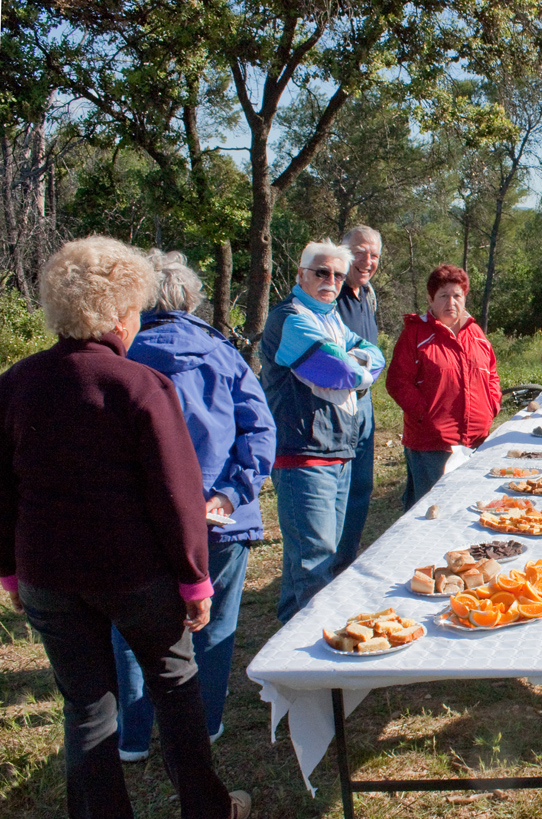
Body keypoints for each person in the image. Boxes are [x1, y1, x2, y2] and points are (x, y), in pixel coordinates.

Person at [0, 237, 251, 818]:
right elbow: (176, 494)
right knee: (176, 685)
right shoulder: (139, 384)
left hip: (47, 574)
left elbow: (2, 489)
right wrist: (195, 579)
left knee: (86, 706)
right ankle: (207, 809)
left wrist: (10, 573)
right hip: (133, 573)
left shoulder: (14, 383)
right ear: (119, 314)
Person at [113, 251, 276, 762]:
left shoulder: (119, 356)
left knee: (133, 627)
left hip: (141, 518)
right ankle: (204, 724)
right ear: (190, 299)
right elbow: (260, 429)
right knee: (216, 622)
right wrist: (230, 492)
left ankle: (133, 736)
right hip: (217, 516)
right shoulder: (222, 353)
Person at [260, 240, 385, 624]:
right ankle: (312, 649)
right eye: (322, 272)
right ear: (301, 274)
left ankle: (290, 639)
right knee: (314, 562)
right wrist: (358, 369)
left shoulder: (329, 318)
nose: (331, 280)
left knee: (312, 559)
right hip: (304, 454)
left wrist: (355, 362)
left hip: (337, 450)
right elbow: (338, 369)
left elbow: (375, 355)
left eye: (338, 275)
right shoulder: (290, 318)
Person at [387, 264, 502, 510]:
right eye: (443, 296)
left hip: (476, 441)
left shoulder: (476, 333)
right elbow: (398, 383)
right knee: (431, 512)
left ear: (465, 298)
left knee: (471, 509)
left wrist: (492, 405)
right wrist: (427, 416)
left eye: (457, 295)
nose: (451, 302)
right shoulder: (415, 334)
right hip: (432, 446)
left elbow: (491, 373)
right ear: (430, 299)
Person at [335, 225, 382, 579]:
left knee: (362, 486)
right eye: (359, 252)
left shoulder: (367, 293)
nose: (367, 261)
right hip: (339, 405)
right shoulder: (331, 293)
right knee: (340, 487)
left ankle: (347, 557)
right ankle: (334, 565)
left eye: (374, 255)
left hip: (364, 402)